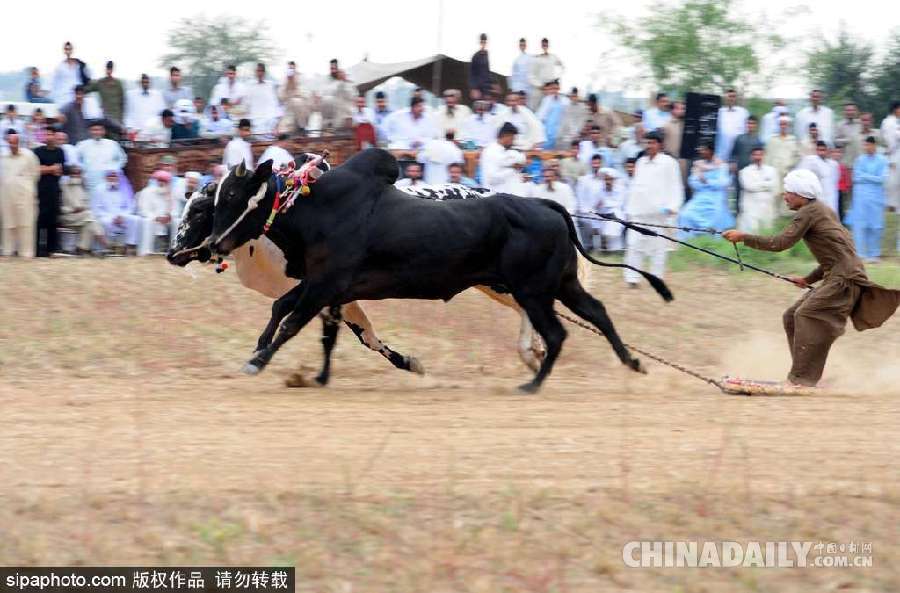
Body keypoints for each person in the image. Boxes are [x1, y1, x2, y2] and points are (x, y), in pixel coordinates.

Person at [723, 169, 899, 387]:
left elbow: (780, 244)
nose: (784, 196)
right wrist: (808, 280)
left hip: (844, 279)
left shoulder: (808, 212)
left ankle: (801, 379)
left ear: (801, 194)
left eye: (788, 192)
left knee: (805, 314)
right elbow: (834, 257)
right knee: (791, 316)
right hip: (840, 275)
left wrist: (744, 237)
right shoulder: (823, 209)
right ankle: (804, 374)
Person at [624, 131, 684, 287]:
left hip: (659, 213)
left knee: (658, 248)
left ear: (660, 144)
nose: (649, 146)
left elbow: (675, 185)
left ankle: (656, 278)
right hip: (639, 211)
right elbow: (636, 187)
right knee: (634, 244)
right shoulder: (640, 162)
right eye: (647, 143)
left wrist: (673, 206)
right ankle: (632, 278)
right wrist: (630, 208)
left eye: (652, 143)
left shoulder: (669, 162)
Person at [844, 137, 889, 262]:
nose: (867, 147)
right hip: (861, 197)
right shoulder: (860, 160)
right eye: (865, 145)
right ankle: (860, 253)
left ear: (875, 145)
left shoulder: (883, 160)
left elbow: (882, 179)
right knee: (860, 225)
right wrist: (873, 177)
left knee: (875, 225)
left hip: (876, 197)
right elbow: (856, 177)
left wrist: (865, 177)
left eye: (869, 145)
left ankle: (874, 254)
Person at [680, 142, 735, 236]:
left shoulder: (721, 165)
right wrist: (702, 182)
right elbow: (692, 181)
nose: (702, 152)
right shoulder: (698, 164)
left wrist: (707, 182)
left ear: (710, 151)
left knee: (716, 218)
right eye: (701, 150)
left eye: (704, 150)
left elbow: (724, 182)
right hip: (700, 196)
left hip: (716, 198)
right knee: (685, 214)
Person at [0, 130, 40, 257]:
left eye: (15, 143)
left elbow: (35, 174)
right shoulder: (3, 156)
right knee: (8, 223)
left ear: (19, 143)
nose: (12, 146)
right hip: (7, 195)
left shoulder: (29, 156)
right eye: (10, 143)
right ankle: (7, 251)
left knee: (26, 223)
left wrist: (25, 186)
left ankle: (26, 253)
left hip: (25, 195)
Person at [33, 128, 68, 256]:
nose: (49, 136)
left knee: (53, 221)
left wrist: (45, 168)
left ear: (55, 136)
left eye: (51, 134)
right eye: (46, 134)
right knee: (38, 221)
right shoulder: (37, 151)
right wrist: (51, 168)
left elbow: (59, 170)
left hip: (54, 190)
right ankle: (35, 251)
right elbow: (36, 170)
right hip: (40, 189)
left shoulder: (60, 152)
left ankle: (51, 250)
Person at [90, 169, 141, 253]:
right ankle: (110, 246)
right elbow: (96, 208)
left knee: (135, 219)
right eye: (110, 176)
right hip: (106, 216)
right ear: (106, 177)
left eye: (115, 176)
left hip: (123, 216)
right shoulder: (99, 189)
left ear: (119, 177)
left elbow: (131, 206)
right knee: (105, 222)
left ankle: (130, 245)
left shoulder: (125, 188)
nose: (112, 178)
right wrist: (112, 217)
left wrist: (122, 216)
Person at [59, 166, 106, 254]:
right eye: (74, 173)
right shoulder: (63, 186)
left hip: (82, 217)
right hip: (67, 217)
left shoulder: (83, 188)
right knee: (90, 216)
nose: (76, 176)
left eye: (78, 173)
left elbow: (88, 205)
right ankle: (105, 244)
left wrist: (82, 208)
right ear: (69, 174)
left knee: (90, 223)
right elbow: (58, 207)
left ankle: (81, 249)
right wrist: (72, 210)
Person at [75, 120, 127, 191]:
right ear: (89, 131)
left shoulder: (112, 144)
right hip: (90, 178)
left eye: (99, 130)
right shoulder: (82, 145)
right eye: (94, 130)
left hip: (108, 179)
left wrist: (114, 169)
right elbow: (75, 159)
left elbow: (122, 158)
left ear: (104, 131)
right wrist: (83, 169)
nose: (97, 132)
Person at [137, 170, 177, 255]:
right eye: (160, 181)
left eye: (164, 181)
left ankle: (175, 250)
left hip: (167, 220)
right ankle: (146, 251)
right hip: (152, 219)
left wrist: (170, 216)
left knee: (177, 222)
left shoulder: (171, 193)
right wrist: (156, 218)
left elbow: (175, 209)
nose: (162, 183)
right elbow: (144, 210)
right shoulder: (147, 192)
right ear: (156, 181)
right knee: (148, 222)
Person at [738, 146, 777, 233]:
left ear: (764, 156)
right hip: (751, 206)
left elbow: (773, 184)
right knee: (751, 231)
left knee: (767, 232)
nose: (758, 157)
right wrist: (765, 184)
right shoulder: (745, 171)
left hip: (767, 205)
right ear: (751, 156)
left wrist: (757, 184)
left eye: (760, 154)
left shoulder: (771, 170)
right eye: (755, 155)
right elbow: (748, 186)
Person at [481, 122, 526, 193]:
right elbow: (492, 179)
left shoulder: (504, 150)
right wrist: (513, 169)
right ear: (506, 136)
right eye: (512, 139)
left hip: (505, 196)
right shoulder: (491, 151)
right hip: (494, 196)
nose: (513, 142)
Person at [84, 61, 125, 137]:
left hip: (117, 117)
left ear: (113, 70)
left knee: (115, 139)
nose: (109, 71)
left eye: (110, 69)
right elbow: (86, 89)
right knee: (104, 138)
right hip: (104, 117)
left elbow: (122, 101)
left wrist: (122, 119)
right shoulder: (100, 82)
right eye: (107, 69)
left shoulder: (118, 83)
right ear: (105, 69)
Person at [765, 115, 801, 198]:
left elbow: (798, 157)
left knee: (787, 199)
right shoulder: (772, 140)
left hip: (788, 173)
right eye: (781, 124)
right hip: (774, 173)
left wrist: (790, 165)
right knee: (774, 197)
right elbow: (767, 156)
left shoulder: (793, 140)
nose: (783, 126)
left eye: (785, 124)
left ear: (788, 126)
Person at [730, 115, 760, 213]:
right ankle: (738, 214)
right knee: (738, 193)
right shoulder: (739, 138)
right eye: (749, 123)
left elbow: (760, 157)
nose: (750, 125)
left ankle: (750, 213)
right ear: (746, 125)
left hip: (752, 172)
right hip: (739, 170)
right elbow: (733, 153)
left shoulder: (758, 141)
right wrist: (733, 163)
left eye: (753, 123)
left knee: (751, 193)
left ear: (756, 125)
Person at [575, 154, 606, 248]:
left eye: (598, 163)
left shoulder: (606, 178)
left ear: (601, 164)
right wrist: (587, 210)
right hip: (587, 213)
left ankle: (599, 250)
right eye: (594, 163)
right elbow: (580, 197)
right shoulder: (584, 180)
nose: (596, 165)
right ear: (591, 164)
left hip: (602, 212)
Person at [797, 141, 836, 212]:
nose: (821, 153)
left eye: (823, 150)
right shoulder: (811, 160)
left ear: (827, 150)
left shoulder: (832, 164)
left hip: (830, 193)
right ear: (816, 150)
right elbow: (801, 173)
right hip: (817, 194)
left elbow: (835, 179)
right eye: (819, 150)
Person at [527, 38, 564, 111]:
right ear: (540, 46)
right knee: (536, 110)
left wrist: (556, 80)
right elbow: (530, 76)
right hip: (538, 90)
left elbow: (562, 67)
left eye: (546, 45)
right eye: (543, 45)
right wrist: (540, 86)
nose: (544, 47)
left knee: (549, 110)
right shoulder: (535, 59)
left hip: (550, 90)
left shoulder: (553, 57)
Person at [245, 63, 280, 135]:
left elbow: (275, 103)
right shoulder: (250, 85)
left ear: (264, 72)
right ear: (255, 72)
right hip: (255, 120)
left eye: (261, 71)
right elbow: (247, 104)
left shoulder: (270, 85)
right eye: (258, 71)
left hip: (269, 119)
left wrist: (276, 121)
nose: (259, 73)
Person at [51, 41, 90, 106]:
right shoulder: (60, 67)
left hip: (77, 96)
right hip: (64, 98)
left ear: (72, 50)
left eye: (69, 49)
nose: (68, 51)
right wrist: (56, 98)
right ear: (64, 51)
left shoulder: (79, 64)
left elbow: (86, 78)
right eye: (66, 49)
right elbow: (55, 83)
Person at [278, 61, 311, 134]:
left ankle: (302, 127)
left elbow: (307, 96)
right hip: (288, 113)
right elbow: (281, 98)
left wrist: (296, 88)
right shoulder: (284, 80)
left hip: (302, 114)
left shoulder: (302, 79)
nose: (292, 72)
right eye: (290, 69)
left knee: (297, 101)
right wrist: (288, 84)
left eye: (293, 69)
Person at [716, 88, 749, 161]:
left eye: (733, 96)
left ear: (736, 98)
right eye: (729, 96)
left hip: (738, 152)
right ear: (725, 98)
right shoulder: (719, 112)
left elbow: (748, 130)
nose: (731, 98)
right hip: (721, 153)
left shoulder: (743, 112)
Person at [536, 80, 569, 149]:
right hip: (547, 133)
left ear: (559, 89)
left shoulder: (564, 100)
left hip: (559, 133)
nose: (554, 91)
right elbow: (540, 117)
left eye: (556, 88)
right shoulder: (546, 100)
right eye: (552, 88)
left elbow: (567, 116)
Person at [663, 100, 688, 185]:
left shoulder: (687, 124)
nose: (682, 110)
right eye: (678, 108)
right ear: (672, 110)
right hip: (671, 162)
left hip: (685, 163)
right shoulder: (666, 125)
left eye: (683, 108)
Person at [834, 102, 862, 168]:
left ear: (856, 111)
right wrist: (846, 140)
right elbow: (835, 142)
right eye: (848, 110)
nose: (850, 112)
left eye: (852, 110)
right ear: (844, 112)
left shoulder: (861, 124)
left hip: (860, 162)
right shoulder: (840, 125)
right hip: (846, 162)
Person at [469, 34, 491, 100]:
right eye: (482, 42)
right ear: (480, 42)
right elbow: (472, 73)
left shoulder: (490, 55)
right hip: (479, 88)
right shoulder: (476, 56)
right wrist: (474, 88)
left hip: (488, 88)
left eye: (485, 42)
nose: (483, 44)